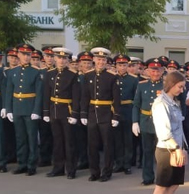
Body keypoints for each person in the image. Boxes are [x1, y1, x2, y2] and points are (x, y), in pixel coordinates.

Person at [151, 71, 188, 194]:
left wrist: (182, 148)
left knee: (173, 186)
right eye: (180, 86)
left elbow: (179, 128)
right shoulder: (161, 104)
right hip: (167, 150)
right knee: (162, 186)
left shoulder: (173, 102)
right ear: (171, 85)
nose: (182, 89)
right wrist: (176, 149)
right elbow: (163, 132)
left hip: (177, 148)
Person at [80, 47, 120, 182]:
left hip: (106, 114)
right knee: (92, 145)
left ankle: (107, 172)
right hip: (92, 114)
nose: (101, 62)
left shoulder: (112, 77)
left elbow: (116, 98)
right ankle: (94, 171)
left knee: (108, 145)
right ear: (94, 60)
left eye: (103, 60)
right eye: (98, 59)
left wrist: (115, 116)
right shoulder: (88, 75)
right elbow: (85, 97)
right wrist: (84, 114)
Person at [5, 43, 43, 176]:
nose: (26, 57)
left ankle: (31, 165)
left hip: (30, 108)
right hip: (17, 108)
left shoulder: (35, 72)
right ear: (18, 55)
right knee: (20, 137)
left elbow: (39, 93)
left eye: (28, 55)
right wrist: (8, 109)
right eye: (23, 54)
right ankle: (22, 163)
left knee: (32, 138)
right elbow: (9, 91)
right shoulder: (12, 72)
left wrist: (36, 111)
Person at [42, 47, 81, 179]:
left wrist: (75, 114)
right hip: (54, 111)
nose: (61, 60)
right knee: (57, 141)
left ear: (68, 60)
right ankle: (58, 168)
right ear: (55, 58)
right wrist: (46, 112)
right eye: (59, 58)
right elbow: (47, 94)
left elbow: (76, 96)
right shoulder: (50, 73)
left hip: (67, 111)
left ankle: (71, 169)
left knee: (69, 142)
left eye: (64, 58)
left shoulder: (73, 75)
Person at [132, 58, 165, 186]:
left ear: (162, 71)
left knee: (162, 153)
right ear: (148, 71)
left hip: (162, 123)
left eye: (158, 71)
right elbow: (136, 104)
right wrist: (135, 121)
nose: (155, 74)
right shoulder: (142, 85)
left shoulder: (166, 85)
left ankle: (162, 177)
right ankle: (147, 177)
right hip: (145, 122)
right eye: (153, 70)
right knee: (147, 151)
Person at [113, 53, 139, 175]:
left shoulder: (133, 79)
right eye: (119, 64)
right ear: (116, 65)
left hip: (128, 110)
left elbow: (136, 99)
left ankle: (127, 164)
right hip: (115, 111)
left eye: (124, 64)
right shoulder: (112, 78)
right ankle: (118, 163)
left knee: (128, 140)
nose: (122, 67)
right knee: (117, 139)